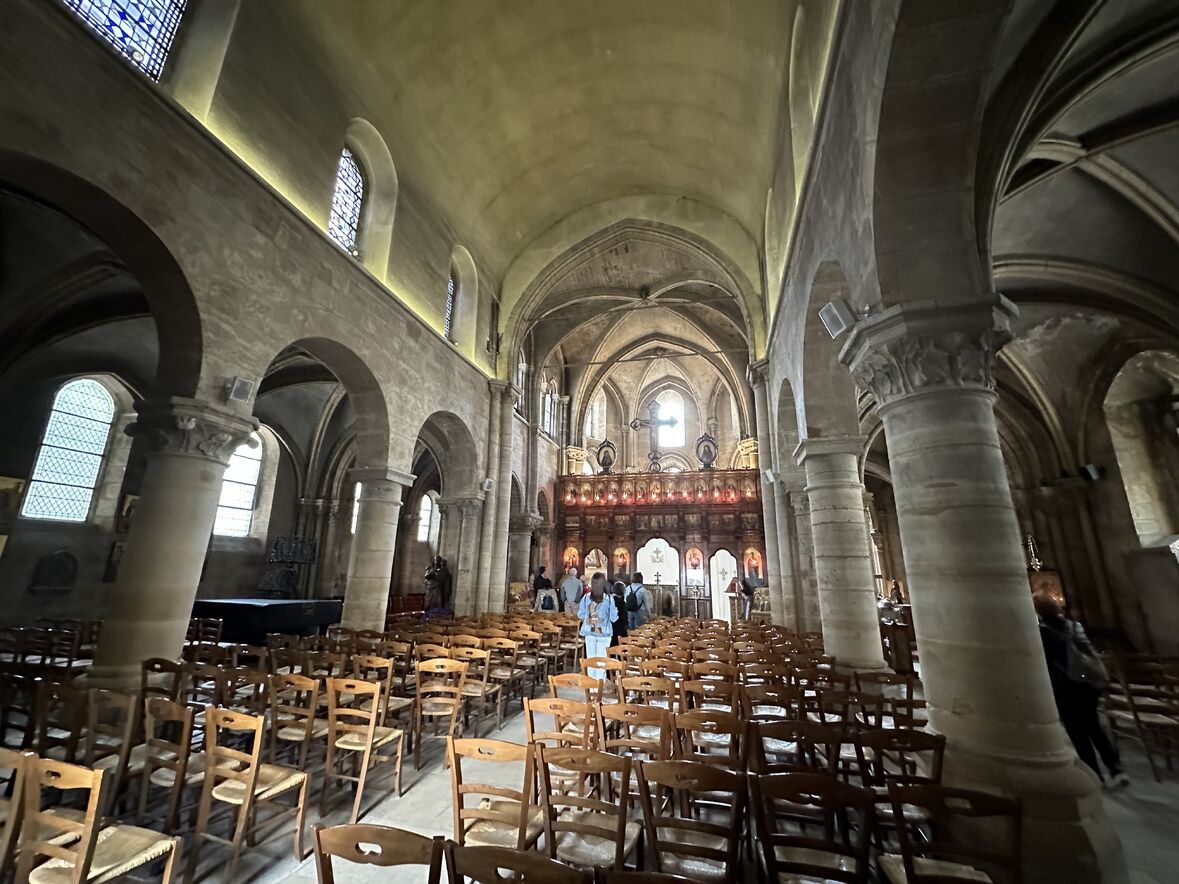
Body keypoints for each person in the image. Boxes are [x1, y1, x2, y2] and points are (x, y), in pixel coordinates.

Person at [1034, 593, 1127, 786]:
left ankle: (1094, 774)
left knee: (1077, 732)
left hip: (1063, 686)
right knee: (1094, 726)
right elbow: (1087, 649)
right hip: (1086, 683)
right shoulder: (1074, 626)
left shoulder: (1040, 632)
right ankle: (1115, 768)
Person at [578, 572, 617, 678]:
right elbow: (613, 618)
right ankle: (599, 684)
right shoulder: (609, 599)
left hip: (589, 632)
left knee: (591, 660)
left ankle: (592, 685)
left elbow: (580, 615)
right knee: (601, 662)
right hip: (604, 634)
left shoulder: (586, 597)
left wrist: (590, 618)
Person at [610, 581, 629, 646]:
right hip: (619, 633)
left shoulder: (608, 600)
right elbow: (624, 619)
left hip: (609, 632)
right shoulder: (622, 603)